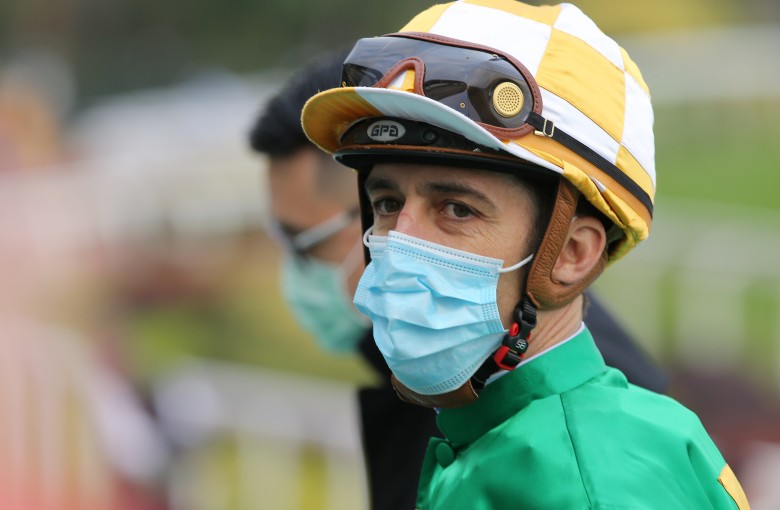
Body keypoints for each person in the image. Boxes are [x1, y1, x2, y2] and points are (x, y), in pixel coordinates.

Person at [298, 1, 750, 508]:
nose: (401, 244)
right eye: (387, 203)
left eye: (457, 209)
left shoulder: (584, 485)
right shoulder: (518, 437)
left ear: (572, 254)